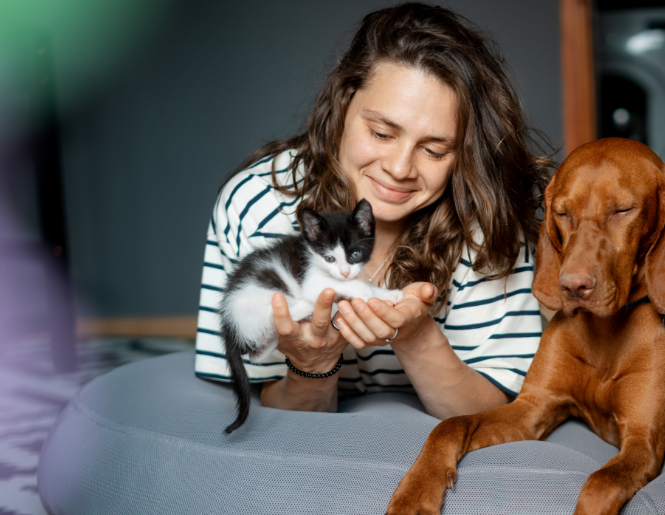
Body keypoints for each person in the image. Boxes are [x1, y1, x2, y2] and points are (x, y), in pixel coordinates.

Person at [194, 3, 552, 420]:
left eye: (434, 150)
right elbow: (274, 412)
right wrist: (313, 364)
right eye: (381, 132)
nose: (399, 169)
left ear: (465, 155)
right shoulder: (261, 201)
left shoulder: (489, 223)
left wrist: (417, 337)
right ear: (344, 104)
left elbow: (492, 409)